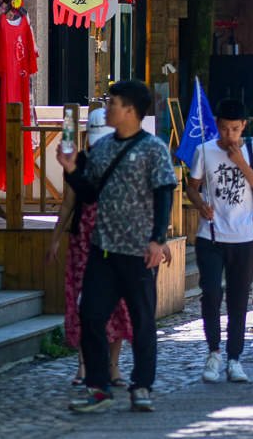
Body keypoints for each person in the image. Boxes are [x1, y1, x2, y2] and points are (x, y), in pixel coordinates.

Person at [56, 80, 176, 413]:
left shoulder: (154, 149)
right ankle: (98, 387)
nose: (106, 108)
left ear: (130, 110)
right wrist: (70, 171)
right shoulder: (102, 148)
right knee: (91, 316)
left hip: (138, 251)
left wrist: (158, 239)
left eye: (112, 103)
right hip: (102, 248)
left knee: (141, 321)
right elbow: (89, 192)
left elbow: (165, 192)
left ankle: (142, 387)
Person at [45, 108, 132, 388]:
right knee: (84, 303)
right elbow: (69, 202)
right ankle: (84, 365)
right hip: (83, 242)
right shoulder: (80, 160)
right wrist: (55, 237)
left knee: (118, 304)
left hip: (118, 241)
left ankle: (113, 366)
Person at [188, 99, 253, 381]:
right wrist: (199, 203)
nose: (230, 136)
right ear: (217, 126)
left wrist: (240, 162)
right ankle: (213, 353)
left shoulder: (252, 148)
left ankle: (234, 359)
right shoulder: (204, 150)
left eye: (235, 129)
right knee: (211, 294)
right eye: (224, 129)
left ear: (244, 126)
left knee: (238, 301)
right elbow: (192, 186)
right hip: (209, 236)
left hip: (244, 236)